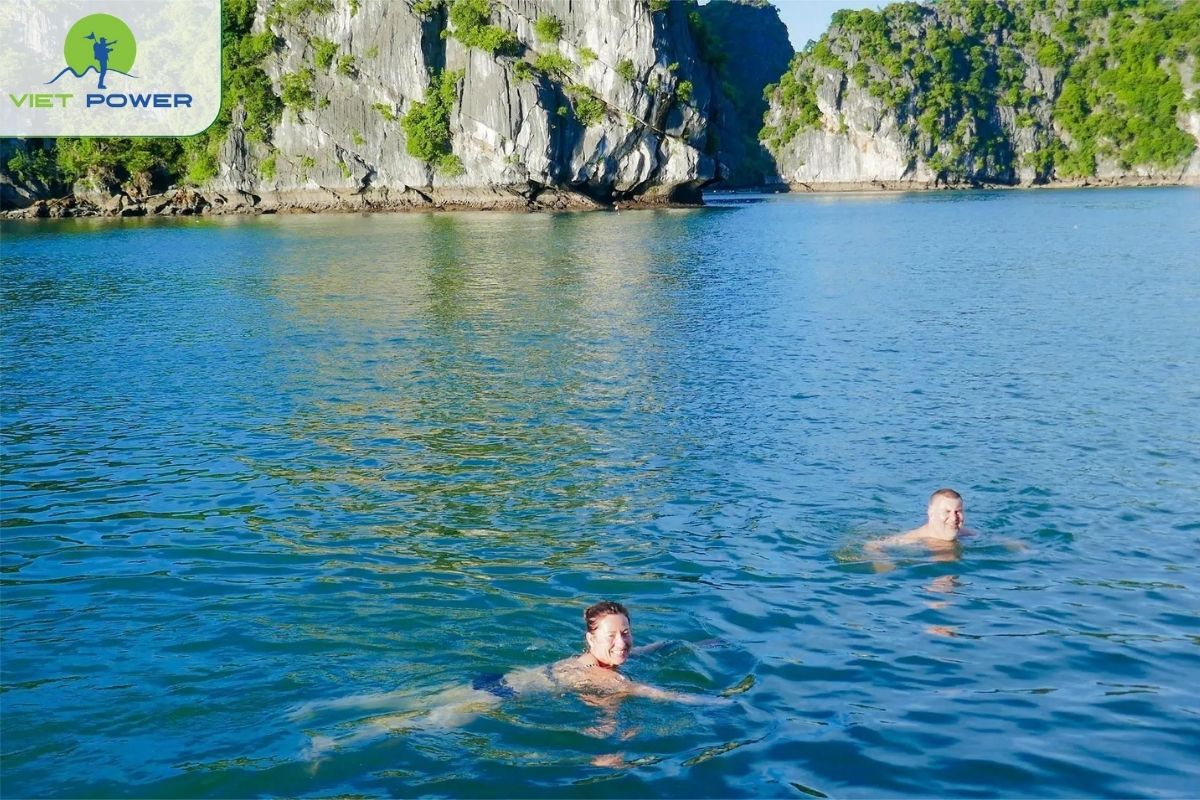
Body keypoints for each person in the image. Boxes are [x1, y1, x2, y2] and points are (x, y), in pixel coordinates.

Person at [293, 601, 724, 758]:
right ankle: (333, 744)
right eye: (612, 636)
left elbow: (648, 650)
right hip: (500, 697)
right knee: (420, 722)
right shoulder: (606, 679)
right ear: (590, 639)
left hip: (498, 680)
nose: (622, 642)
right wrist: (720, 704)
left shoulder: (596, 659)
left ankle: (318, 709)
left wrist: (687, 644)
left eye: (626, 633)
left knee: (406, 699)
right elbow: (658, 694)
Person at [868, 488, 971, 553]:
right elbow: (873, 545)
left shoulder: (967, 535)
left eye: (958, 511)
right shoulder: (914, 540)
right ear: (931, 513)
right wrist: (884, 566)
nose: (954, 518)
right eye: (947, 511)